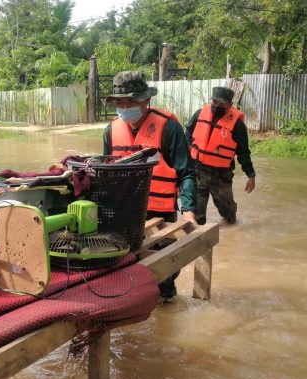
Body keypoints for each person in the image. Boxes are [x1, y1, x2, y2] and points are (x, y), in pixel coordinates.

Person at [102, 71, 197, 304]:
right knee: (124, 265)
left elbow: (186, 173)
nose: (125, 107)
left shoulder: (169, 128)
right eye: (120, 102)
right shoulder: (110, 131)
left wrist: (189, 211)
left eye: (131, 101)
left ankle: (167, 302)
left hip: (160, 210)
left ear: (146, 100)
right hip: (123, 213)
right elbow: (104, 174)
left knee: (165, 269)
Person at [185, 86, 256, 225]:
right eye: (214, 102)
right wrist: (187, 149)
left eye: (221, 103)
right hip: (198, 171)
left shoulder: (237, 125)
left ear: (230, 105)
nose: (216, 106)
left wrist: (251, 175)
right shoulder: (200, 113)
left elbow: (243, 153)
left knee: (229, 216)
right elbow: (188, 132)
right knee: (197, 216)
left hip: (221, 175)